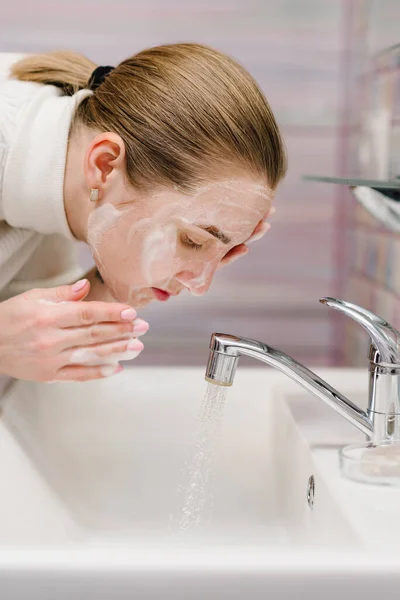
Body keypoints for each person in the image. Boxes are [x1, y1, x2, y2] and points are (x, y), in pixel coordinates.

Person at [0, 43, 286, 385]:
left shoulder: (63, 180)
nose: (199, 286)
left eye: (226, 253)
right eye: (192, 239)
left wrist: (138, 280)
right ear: (105, 165)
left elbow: (31, 341)